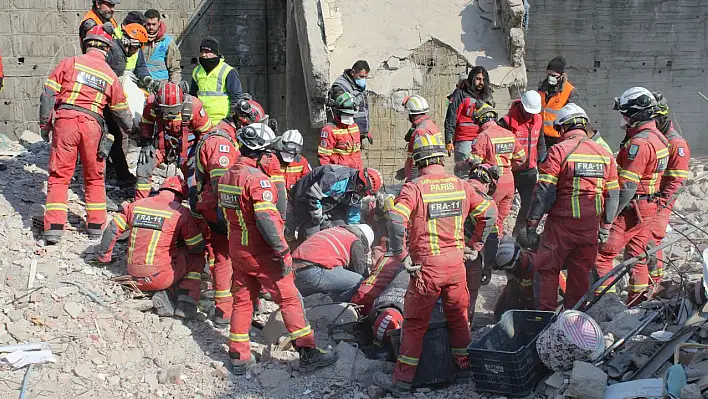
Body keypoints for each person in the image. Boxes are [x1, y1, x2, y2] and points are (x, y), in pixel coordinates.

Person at [373, 133, 497, 395]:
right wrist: (474, 246)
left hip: (426, 268)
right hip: (456, 265)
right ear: (442, 156)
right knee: (459, 318)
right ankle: (463, 369)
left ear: (418, 160)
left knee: (416, 323)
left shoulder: (414, 187)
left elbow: (396, 220)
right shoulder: (460, 184)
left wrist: (401, 254)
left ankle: (402, 381)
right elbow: (489, 212)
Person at [216, 123, 337, 374]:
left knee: (243, 300)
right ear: (262, 152)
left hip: (238, 250)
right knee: (289, 298)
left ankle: (238, 355)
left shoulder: (227, 177)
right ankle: (308, 352)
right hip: (263, 253)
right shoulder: (257, 181)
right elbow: (267, 221)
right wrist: (282, 251)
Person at [39, 25, 133, 244]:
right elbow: (122, 113)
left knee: (59, 176)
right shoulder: (110, 75)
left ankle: (53, 228)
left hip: (65, 123)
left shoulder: (69, 63)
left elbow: (48, 95)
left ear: (86, 44)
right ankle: (96, 226)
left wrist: (45, 126)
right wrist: (135, 131)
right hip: (93, 125)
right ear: (108, 50)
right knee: (94, 176)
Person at [525, 103, 619, 311]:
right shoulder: (604, 153)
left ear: (563, 128)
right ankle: (574, 320)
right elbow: (613, 194)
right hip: (590, 227)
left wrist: (532, 223)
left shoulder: (559, 151)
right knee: (580, 273)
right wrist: (606, 227)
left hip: (561, 226)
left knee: (548, 270)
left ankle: (546, 320)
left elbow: (544, 192)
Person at [595, 88, 670, 305]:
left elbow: (627, 186)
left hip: (631, 209)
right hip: (648, 207)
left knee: (603, 256)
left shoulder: (640, 144)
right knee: (637, 257)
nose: (623, 118)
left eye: (626, 114)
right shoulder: (659, 139)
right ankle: (636, 301)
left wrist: (609, 220)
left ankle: (606, 305)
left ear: (636, 115)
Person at [97, 176, 205, 318]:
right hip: (160, 278)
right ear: (181, 194)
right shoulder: (181, 212)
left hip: (132, 276)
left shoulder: (136, 205)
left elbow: (112, 229)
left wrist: (104, 257)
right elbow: (196, 246)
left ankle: (161, 291)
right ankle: (186, 302)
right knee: (196, 259)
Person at [455, 102, 526, 268]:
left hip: (493, 184)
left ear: (480, 121)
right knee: (499, 221)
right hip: (509, 182)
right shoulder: (509, 134)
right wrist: (508, 168)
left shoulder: (484, 136)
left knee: (485, 220)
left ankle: (482, 260)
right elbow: (522, 158)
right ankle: (497, 259)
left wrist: (461, 165)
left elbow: (475, 162)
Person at [135, 82, 212, 200]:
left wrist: (198, 155)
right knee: (143, 167)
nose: (170, 114)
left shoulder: (194, 106)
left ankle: (196, 206)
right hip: (161, 146)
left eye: (173, 110)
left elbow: (207, 134)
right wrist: (146, 143)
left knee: (194, 180)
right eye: (166, 110)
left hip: (189, 149)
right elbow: (146, 124)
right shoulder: (152, 104)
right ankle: (140, 203)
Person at [647, 91, 690, 286]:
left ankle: (654, 282)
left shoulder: (676, 143)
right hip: (648, 199)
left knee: (652, 239)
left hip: (660, 201)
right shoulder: (653, 137)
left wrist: (661, 202)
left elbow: (677, 182)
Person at [285, 165, 383, 243]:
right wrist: (319, 219)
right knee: (312, 237)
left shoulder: (356, 188)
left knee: (341, 227)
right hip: (304, 197)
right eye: (366, 193)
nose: (365, 196)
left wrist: (354, 233)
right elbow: (312, 197)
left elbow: (354, 212)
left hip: (325, 201)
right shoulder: (335, 179)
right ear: (360, 187)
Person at [498, 90, 545, 236]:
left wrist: (543, 160)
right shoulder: (506, 122)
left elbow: (541, 144)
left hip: (529, 170)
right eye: (528, 112)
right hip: (510, 171)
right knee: (501, 204)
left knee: (529, 203)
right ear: (522, 106)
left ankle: (518, 233)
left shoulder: (538, 120)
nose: (530, 115)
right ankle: (496, 234)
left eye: (533, 113)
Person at [292, 224, 374, 301]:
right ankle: (332, 306)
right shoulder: (355, 240)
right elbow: (360, 270)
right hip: (313, 272)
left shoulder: (335, 231)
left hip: (294, 272)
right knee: (358, 281)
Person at [463, 164, 500, 324]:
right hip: (468, 256)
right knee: (470, 292)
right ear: (488, 183)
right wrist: (488, 266)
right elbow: (491, 240)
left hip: (440, 252)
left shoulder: (455, 188)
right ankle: (465, 325)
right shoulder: (485, 203)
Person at [444, 66, 495, 165]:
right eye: (478, 79)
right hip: (464, 142)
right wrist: (448, 140)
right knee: (464, 175)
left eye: (483, 80)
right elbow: (451, 117)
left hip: (483, 141)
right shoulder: (460, 94)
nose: (481, 82)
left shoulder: (487, 96)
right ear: (472, 78)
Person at [190, 37, 243, 124]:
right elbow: (193, 96)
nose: (203, 55)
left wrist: (231, 118)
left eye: (207, 52)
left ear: (215, 53)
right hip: (201, 120)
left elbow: (237, 97)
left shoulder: (228, 71)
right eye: (202, 52)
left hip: (222, 121)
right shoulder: (197, 71)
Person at [396, 95, 443, 182]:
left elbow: (416, 161)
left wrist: (409, 181)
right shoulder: (431, 125)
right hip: (437, 172)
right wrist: (405, 170)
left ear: (410, 113)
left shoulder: (420, 132)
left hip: (425, 175)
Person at [538, 56, 580, 149]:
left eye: (553, 76)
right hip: (540, 135)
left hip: (558, 137)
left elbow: (572, 116)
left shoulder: (570, 91)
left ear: (561, 75)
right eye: (548, 74)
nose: (550, 78)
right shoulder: (542, 87)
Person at [328, 60, 371, 144]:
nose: (363, 80)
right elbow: (344, 107)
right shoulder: (340, 86)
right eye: (361, 77)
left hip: (356, 133)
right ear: (353, 72)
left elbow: (362, 110)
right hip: (344, 135)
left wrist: (365, 130)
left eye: (366, 77)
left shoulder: (357, 84)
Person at [318, 92, 363, 169]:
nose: (349, 117)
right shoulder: (329, 130)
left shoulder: (354, 127)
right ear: (338, 112)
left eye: (351, 114)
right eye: (346, 114)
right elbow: (324, 157)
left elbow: (357, 154)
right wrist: (328, 175)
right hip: (338, 174)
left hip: (355, 172)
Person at [143, 9, 181, 83]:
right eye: (148, 24)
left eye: (154, 24)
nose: (151, 27)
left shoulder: (168, 42)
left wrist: (172, 87)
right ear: (144, 23)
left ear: (159, 23)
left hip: (161, 87)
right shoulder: (138, 40)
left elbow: (175, 69)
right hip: (141, 86)